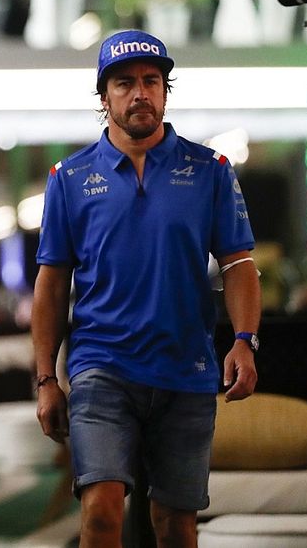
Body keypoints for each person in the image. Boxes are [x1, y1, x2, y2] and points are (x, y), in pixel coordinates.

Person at [31, 29, 261, 546]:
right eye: (124, 83)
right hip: (102, 368)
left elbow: (239, 264)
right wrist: (46, 377)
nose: (140, 93)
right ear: (103, 97)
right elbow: (51, 283)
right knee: (101, 510)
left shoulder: (210, 171)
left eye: (151, 81)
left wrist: (245, 341)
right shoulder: (68, 177)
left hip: (187, 369)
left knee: (175, 524)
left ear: (164, 90)